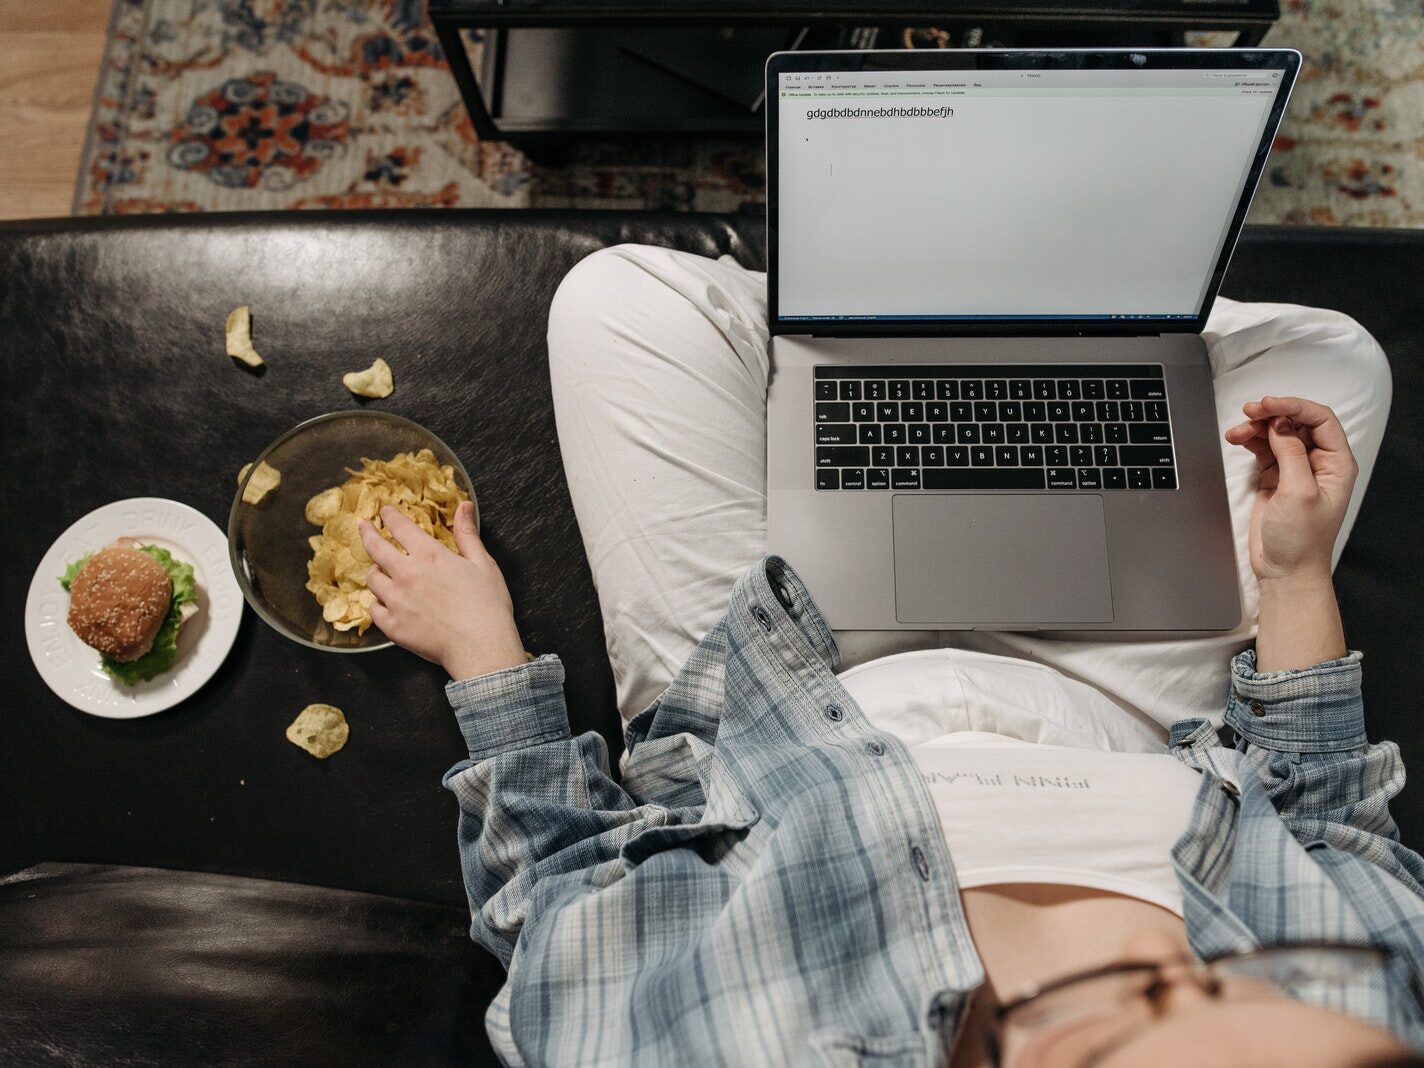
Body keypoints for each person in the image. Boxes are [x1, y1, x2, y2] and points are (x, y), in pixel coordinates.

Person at [356, 244, 1424, 1066]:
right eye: (1249, 976)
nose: (1176, 954)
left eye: (1160, 994)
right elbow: (1325, 822)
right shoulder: (1360, 1012)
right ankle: (1007, 313)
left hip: (769, 694)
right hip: (1132, 705)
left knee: (621, 296)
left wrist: (482, 654)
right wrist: (1291, 573)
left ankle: (924, 284)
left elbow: (550, 896)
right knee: (1334, 360)